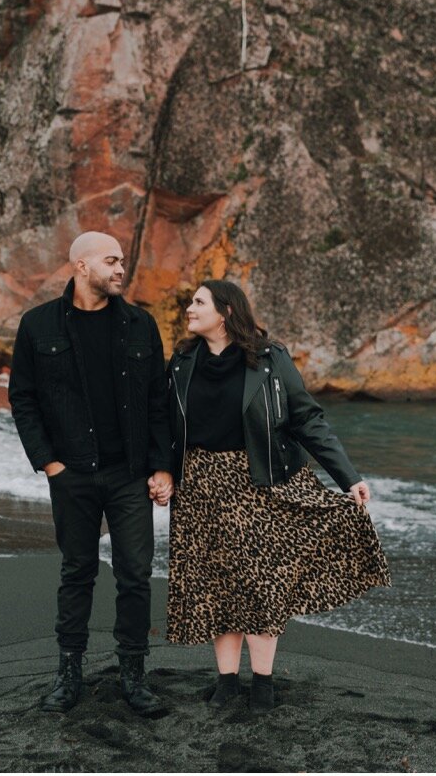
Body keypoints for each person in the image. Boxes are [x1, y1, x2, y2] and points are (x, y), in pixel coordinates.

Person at [148, 280, 391, 711]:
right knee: (215, 584)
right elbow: (166, 424)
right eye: (191, 302)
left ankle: (262, 682)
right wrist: (164, 471)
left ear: (225, 312)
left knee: (262, 584)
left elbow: (307, 419)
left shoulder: (269, 359)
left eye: (198, 302)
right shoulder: (183, 360)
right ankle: (225, 681)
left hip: (259, 483)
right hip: (200, 487)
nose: (189, 308)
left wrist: (347, 476)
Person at [7, 231, 172, 717]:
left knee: (135, 575)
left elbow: (157, 404)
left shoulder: (141, 325)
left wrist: (163, 466)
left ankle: (133, 675)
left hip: (129, 474)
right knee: (76, 572)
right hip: (72, 473)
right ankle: (69, 673)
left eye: (122, 261)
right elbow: (23, 399)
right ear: (81, 266)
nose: (121, 269)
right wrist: (50, 464)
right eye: (111, 261)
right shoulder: (38, 326)